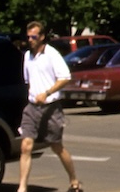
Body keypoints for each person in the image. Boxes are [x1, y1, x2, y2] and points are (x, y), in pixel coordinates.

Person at [16, 22, 81, 192]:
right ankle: (22, 187)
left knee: (56, 146)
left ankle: (74, 180)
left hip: (51, 107)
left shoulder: (52, 54)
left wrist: (47, 92)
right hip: (32, 107)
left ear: (42, 37)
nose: (30, 40)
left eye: (34, 36)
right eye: (28, 36)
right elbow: (28, 81)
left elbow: (65, 77)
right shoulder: (27, 57)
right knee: (26, 146)